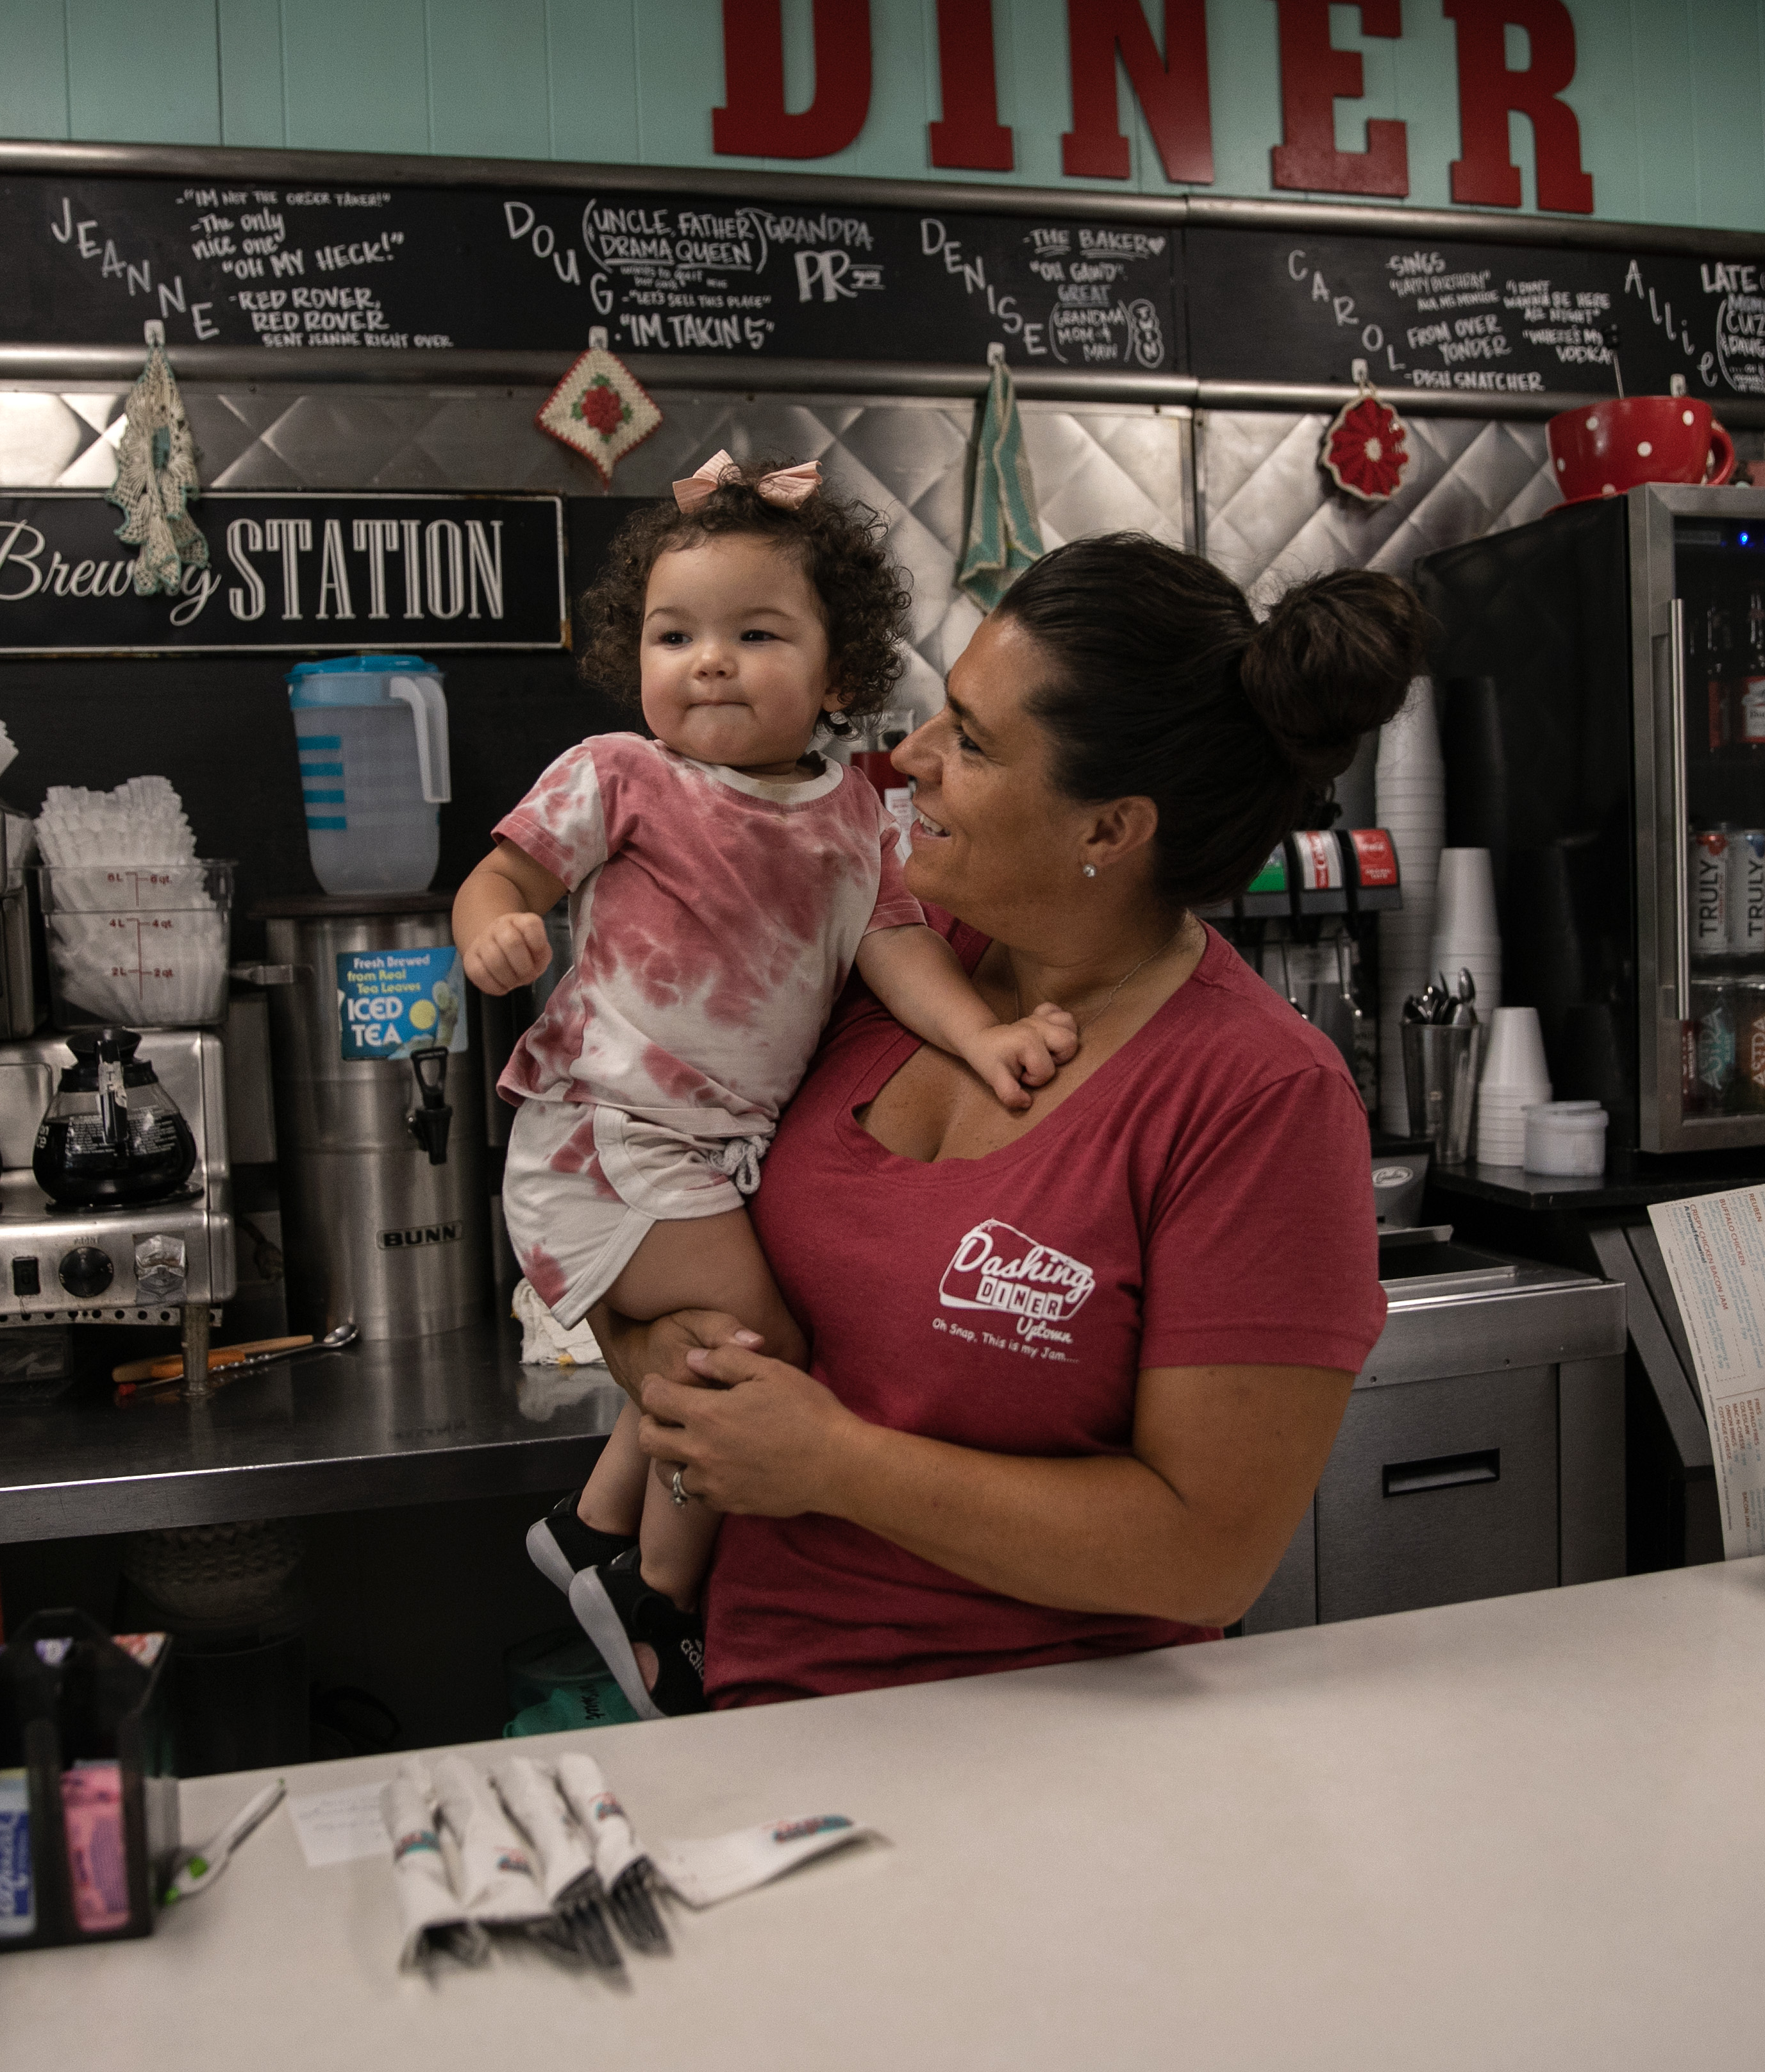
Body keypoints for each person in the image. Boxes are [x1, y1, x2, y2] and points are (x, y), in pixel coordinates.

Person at [591, 533, 1416, 1707]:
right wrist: (652, 1358)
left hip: (1062, 1763)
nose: (908, 758)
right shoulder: (872, 971)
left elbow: (1209, 1555)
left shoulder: (1255, 1097)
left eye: (970, 742)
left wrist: (833, 1464)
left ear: (1108, 830)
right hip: (761, 1731)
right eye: (938, 714)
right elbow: (651, 1195)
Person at [455, 450, 1078, 1719]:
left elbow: (895, 946)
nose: (710, 661)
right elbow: (505, 877)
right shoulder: (623, 775)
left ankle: (592, 1529)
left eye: (755, 632)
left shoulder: (856, 815)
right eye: (675, 634)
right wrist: (492, 930)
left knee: (704, 1344)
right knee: (759, 1351)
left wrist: (983, 1038)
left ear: (840, 674)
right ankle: (657, 1602)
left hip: (709, 1149)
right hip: (607, 1130)